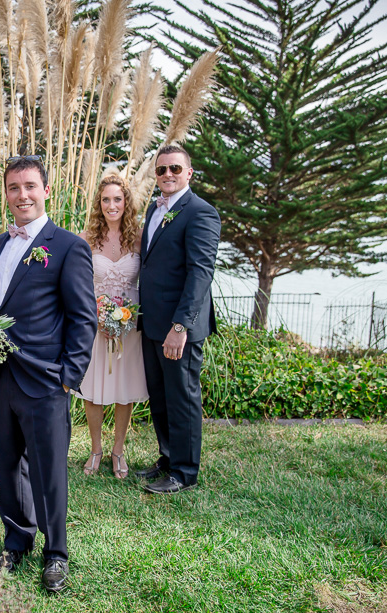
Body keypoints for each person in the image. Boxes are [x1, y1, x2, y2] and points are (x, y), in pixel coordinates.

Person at [0, 156, 96, 593]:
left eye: (30, 186)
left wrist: (70, 375)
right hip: (0, 376)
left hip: (47, 379)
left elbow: (83, 316)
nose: (22, 195)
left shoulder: (68, 246)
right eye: (14, 188)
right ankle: (17, 541)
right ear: (7, 194)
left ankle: (56, 554)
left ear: (46, 190)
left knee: (49, 470)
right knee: (7, 466)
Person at [136, 144, 220, 494]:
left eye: (174, 169)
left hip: (178, 327)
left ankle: (184, 472)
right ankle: (168, 457)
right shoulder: (155, 212)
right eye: (161, 170)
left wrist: (180, 326)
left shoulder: (200, 212)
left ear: (189, 173)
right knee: (161, 395)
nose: (167, 175)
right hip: (152, 323)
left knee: (183, 397)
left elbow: (200, 273)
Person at [75, 174, 149, 478]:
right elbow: (77, 284)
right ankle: (95, 449)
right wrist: (95, 314)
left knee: (125, 388)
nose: (111, 205)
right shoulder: (86, 238)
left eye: (117, 199)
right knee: (93, 388)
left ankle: (118, 450)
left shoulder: (140, 238)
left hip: (129, 327)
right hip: (96, 324)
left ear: (126, 202)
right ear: (99, 204)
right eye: (106, 199)